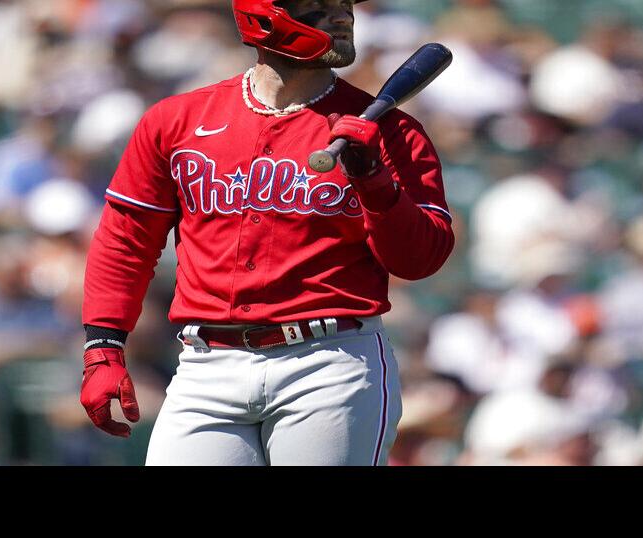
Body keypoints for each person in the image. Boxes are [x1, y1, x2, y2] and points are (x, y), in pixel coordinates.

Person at [79, 0, 454, 466]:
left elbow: (421, 259)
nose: (342, 16)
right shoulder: (175, 120)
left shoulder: (391, 132)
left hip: (328, 362)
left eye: (343, 5)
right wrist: (104, 345)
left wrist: (376, 181)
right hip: (205, 364)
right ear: (264, 13)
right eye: (319, 6)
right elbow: (126, 240)